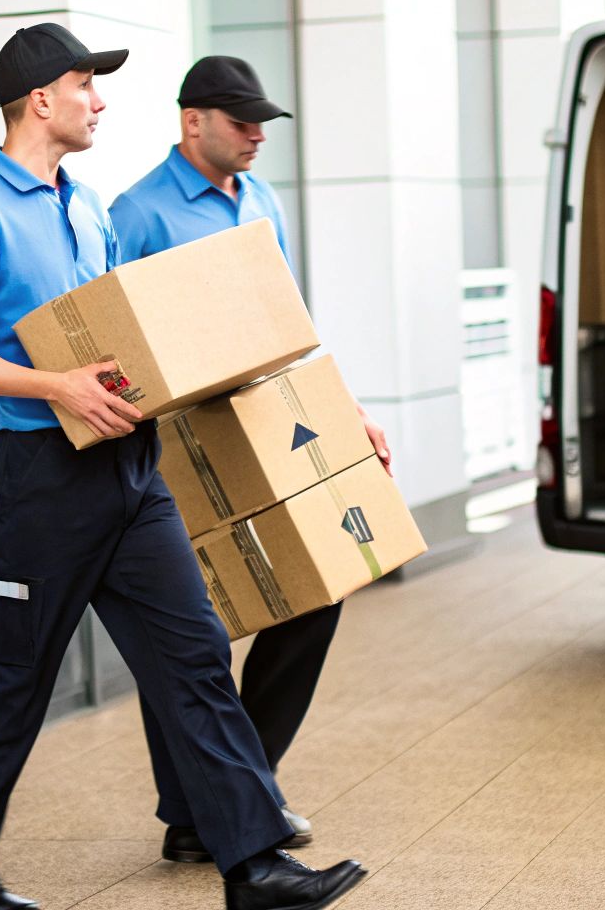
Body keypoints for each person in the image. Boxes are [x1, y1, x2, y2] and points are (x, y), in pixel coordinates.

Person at [0, 24, 366, 910]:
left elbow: (119, 333)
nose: (101, 101)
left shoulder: (83, 207)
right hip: (41, 480)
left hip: (131, 471)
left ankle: (254, 863)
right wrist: (58, 387)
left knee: (193, 657)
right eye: (87, 85)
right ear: (41, 99)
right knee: (17, 680)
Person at [109, 55, 391, 865]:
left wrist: (350, 416)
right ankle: (217, 811)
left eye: (262, 120)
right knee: (192, 639)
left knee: (316, 591)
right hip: (177, 448)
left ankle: (232, 798)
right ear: (191, 121)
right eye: (240, 121)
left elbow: (289, 322)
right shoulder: (137, 214)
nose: (257, 134)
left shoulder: (260, 200)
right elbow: (113, 339)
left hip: (267, 426)